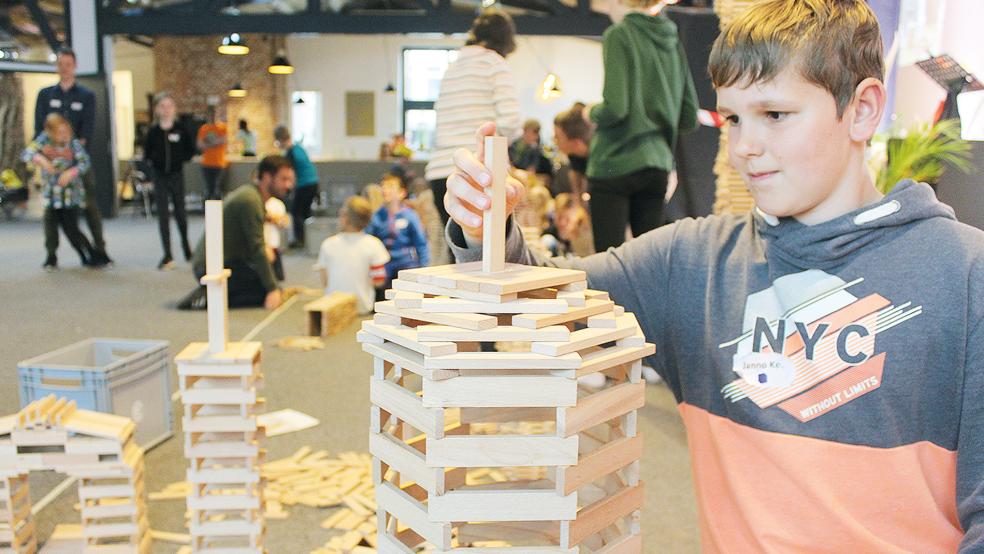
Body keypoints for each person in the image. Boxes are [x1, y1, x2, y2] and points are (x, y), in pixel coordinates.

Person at [441, 1, 984, 550]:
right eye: (732, 118)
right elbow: (530, 308)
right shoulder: (690, 266)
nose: (745, 146)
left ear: (863, 110)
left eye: (775, 114)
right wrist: (487, 227)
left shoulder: (965, 276)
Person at [585, 0, 698, 252]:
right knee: (650, 260)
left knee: (607, 261)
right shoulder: (672, 41)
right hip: (657, 164)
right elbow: (688, 117)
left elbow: (616, 108)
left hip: (614, 162)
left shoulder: (619, 34)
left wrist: (589, 112)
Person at [424, 8, 521, 234]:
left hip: (440, 171)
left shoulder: (452, 68)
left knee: (458, 249)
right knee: (487, 251)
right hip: (477, 171)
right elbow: (511, 121)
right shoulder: (495, 64)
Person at [34, 47, 112, 266]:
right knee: (51, 212)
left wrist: (71, 162)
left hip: (77, 163)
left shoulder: (86, 96)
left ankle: (100, 250)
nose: (64, 69)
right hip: (52, 165)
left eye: (68, 64)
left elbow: (86, 133)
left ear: (75, 66)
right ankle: (51, 255)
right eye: (60, 64)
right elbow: (39, 130)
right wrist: (47, 157)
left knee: (90, 206)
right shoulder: (46, 95)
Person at [189, 155, 295, 310]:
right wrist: (272, 289)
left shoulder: (253, 196)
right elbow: (256, 247)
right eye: (283, 179)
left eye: (290, 180)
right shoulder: (250, 200)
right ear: (267, 177)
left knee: (273, 266)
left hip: (230, 258)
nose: (288, 185)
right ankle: (207, 297)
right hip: (209, 266)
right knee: (265, 289)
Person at [22, 113, 97, 270]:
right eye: (59, 132)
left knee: (72, 229)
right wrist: (41, 160)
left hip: (70, 196)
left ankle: (88, 253)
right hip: (51, 195)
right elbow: (27, 154)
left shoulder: (73, 144)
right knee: (50, 229)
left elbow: (85, 162)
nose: (63, 136)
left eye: (66, 132)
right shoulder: (44, 140)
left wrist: (71, 172)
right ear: (50, 132)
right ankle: (51, 256)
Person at [143, 92, 195, 270]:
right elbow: (147, 154)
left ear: (174, 109)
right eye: (162, 107)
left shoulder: (181, 129)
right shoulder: (153, 132)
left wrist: (178, 159)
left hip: (176, 174)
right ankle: (167, 254)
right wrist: (155, 164)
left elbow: (190, 150)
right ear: (157, 110)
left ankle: (187, 248)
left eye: (169, 106)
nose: (166, 110)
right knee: (163, 216)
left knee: (181, 213)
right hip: (159, 176)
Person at [314, 196, 390, 315]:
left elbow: (325, 281)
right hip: (362, 307)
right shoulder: (374, 244)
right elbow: (379, 281)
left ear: (345, 219)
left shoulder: (328, 244)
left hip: (333, 309)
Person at [366, 174, 429, 288]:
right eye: (383, 186)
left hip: (407, 264)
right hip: (384, 265)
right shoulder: (377, 216)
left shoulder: (410, 215)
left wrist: (424, 268)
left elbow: (421, 243)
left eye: (390, 186)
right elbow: (369, 239)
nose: (385, 190)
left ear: (402, 193)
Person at [273, 125, 319, 249]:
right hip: (313, 182)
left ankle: (300, 240)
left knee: (296, 212)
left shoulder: (290, 153)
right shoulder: (299, 148)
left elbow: (289, 174)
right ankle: (308, 240)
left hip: (304, 184)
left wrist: (287, 190)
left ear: (280, 140)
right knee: (305, 212)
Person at [196, 105, 229, 201]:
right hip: (206, 164)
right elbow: (199, 145)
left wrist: (208, 142)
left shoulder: (223, 127)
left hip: (219, 163)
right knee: (208, 190)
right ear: (208, 115)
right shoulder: (204, 129)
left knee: (217, 190)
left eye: (215, 113)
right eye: (211, 114)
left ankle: (216, 214)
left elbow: (223, 140)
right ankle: (208, 214)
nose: (213, 116)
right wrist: (215, 143)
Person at [264, 196, 288, 282]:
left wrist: (270, 218)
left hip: (273, 244)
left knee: (276, 277)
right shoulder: (256, 201)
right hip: (261, 245)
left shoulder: (277, 204)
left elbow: (283, 223)